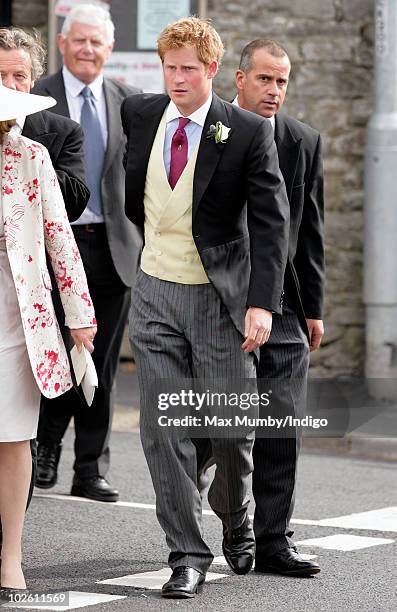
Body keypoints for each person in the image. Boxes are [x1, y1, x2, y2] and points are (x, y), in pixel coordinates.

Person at [121, 17, 290, 598]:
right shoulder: (140, 115)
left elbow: (271, 226)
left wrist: (261, 305)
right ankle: (187, 553)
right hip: (154, 291)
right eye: (169, 67)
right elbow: (133, 198)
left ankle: (235, 514)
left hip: (221, 300)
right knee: (164, 428)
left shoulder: (243, 130)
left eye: (188, 69)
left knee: (230, 429)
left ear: (212, 70)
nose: (176, 79)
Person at [33, 4, 142, 503]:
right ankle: (46, 449)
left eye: (97, 42)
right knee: (56, 350)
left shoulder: (129, 101)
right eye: (79, 41)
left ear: (110, 49)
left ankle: (91, 467)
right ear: (62, 44)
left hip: (113, 246)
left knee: (99, 356)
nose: (88, 50)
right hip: (53, 245)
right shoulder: (37, 99)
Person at [0, 82, 96, 597]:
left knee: (13, 436)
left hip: (18, 311)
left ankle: (10, 555)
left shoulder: (32, 155)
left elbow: (60, 235)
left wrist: (80, 313)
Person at [234, 39, 325, 576]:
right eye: (265, 79)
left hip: (286, 304)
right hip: (223, 300)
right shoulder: (213, 132)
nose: (274, 91)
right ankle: (215, 533)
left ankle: (271, 540)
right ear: (239, 79)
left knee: (280, 421)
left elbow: (310, 229)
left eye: (282, 81)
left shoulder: (303, 141)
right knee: (216, 429)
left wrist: (312, 307)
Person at [0, 27, 89, 221]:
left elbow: (75, 203)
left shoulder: (65, 131)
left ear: (33, 80)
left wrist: (26, 162)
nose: (9, 85)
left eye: (19, 76)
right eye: (0, 75)